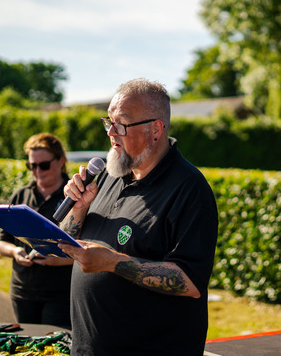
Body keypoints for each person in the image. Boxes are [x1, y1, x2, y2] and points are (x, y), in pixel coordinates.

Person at [58, 78, 219, 356]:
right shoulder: (110, 173)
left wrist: (112, 262)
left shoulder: (189, 189)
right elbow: (66, 244)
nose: (110, 133)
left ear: (155, 130)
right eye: (107, 122)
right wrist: (78, 210)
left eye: (120, 124)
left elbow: (190, 282)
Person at [0, 133, 73, 329]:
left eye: (44, 165)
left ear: (61, 160)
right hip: (22, 291)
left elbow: (89, 247)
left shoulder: (76, 195)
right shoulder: (21, 195)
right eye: (32, 166)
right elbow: (0, 243)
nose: (37, 171)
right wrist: (15, 252)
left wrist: (58, 260)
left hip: (60, 293)